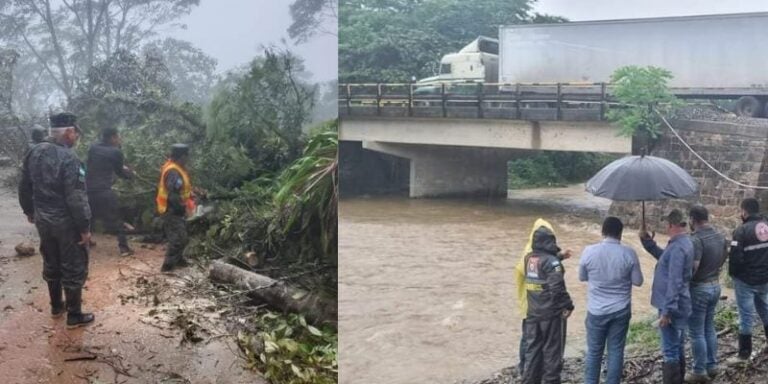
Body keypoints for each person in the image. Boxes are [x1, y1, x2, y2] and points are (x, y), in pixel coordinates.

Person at [18, 112, 95, 328]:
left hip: (43, 219)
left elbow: (24, 185)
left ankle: (56, 306)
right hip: (66, 222)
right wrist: (84, 227)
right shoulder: (70, 158)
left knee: (51, 260)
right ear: (69, 132)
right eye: (75, 133)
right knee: (73, 263)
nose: (77, 137)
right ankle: (75, 315)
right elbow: (76, 196)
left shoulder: (33, 151)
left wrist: (29, 210)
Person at [579, 217, 643, 384]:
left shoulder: (588, 251)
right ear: (620, 233)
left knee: (594, 352)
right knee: (615, 350)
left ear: (602, 231)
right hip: (620, 309)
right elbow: (638, 281)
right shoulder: (629, 253)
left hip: (596, 310)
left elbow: (582, 277)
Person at [640, 209, 694, 384]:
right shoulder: (683, 242)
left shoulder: (677, 247)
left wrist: (667, 311)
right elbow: (664, 258)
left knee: (670, 349)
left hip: (672, 305)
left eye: (667, 224)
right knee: (677, 345)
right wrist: (647, 241)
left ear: (672, 225)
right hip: (680, 302)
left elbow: (675, 281)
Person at [514, 219, 572, 377]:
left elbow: (540, 267)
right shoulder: (553, 263)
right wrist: (568, 306)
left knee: (532, 352)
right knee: (552, 354)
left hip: (532, 312)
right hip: (550, 315)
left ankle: (528, 378)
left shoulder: (528, 259)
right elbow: (557, 288)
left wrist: (559, 256)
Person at [685, 206, 727, 382]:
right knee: (709, 327)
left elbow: (693, 268)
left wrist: (683, 284)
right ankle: (712, 365)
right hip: (715, 286)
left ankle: (699, 371)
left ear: (693, 219)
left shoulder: (696, 240)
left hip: (699, 288)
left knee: (696, 332)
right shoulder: (720, 235)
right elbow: (725, 257)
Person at [726, 197, 768, 366]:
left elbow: (735, 259)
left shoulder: (741, 231)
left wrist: (734, 276)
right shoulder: (766, 226)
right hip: (765, 278)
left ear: (744, 211)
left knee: (746, 316)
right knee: (765, 310)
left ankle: (744, 354)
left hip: (746, 281)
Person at [86, 126, 134, 257]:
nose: (119, 139)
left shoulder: (93, 148)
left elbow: (92, 165)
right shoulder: (116, 152)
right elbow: (120, 172)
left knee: (88, 217)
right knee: (117, 219)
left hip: (88, 189)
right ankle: (124, 248)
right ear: (113, 137)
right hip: (104, 190)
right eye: (118, 137)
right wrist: (131, 174)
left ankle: (86, 241)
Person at [156, 143, 196, 272]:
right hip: (171, 209)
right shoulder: (173, 171)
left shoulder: (176, 167)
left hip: (174, 208)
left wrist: (191, 194)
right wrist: (181, 208)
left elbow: (181, 188)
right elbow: (172, 193)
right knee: (178, 238)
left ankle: (178, 259)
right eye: (187, 157)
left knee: (182, 236)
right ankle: (167, 266)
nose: (188, 159)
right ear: (182, 156)